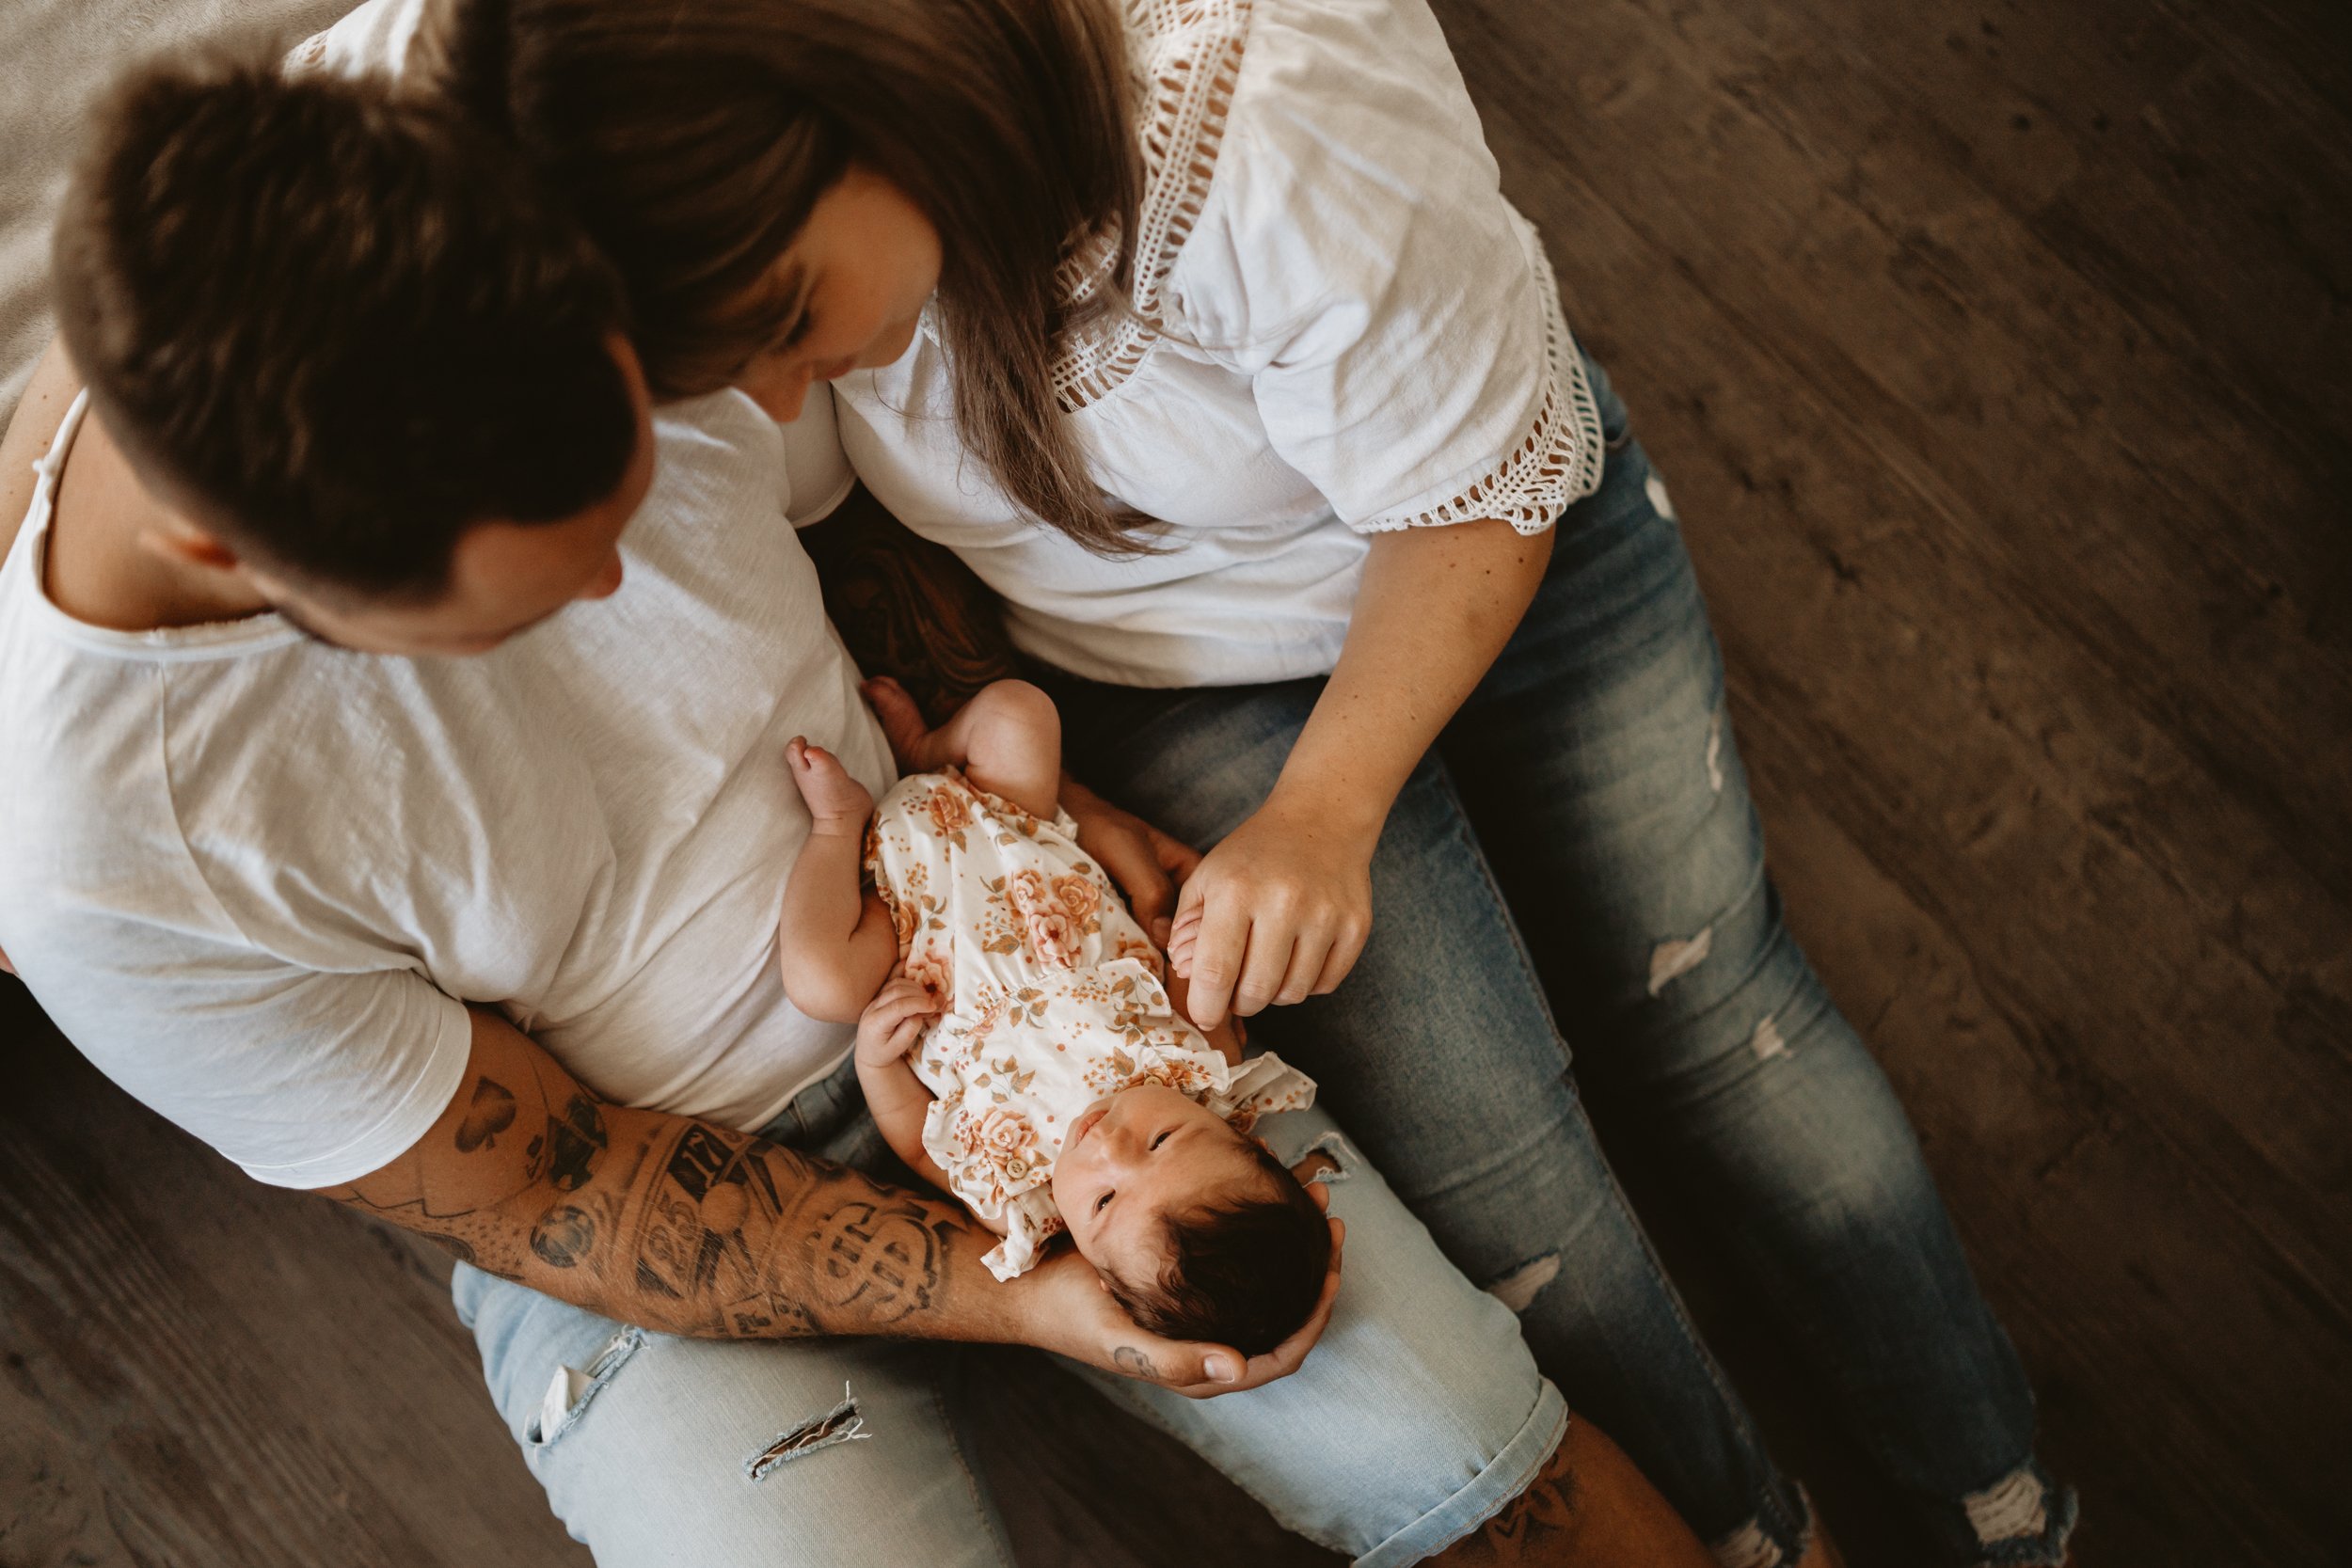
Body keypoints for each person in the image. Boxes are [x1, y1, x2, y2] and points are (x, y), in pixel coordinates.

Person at [0, 42, 1721, 1568]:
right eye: (542, 591)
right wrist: (1018, 1286)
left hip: (1004, 971)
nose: (623, 582)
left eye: (626, 497)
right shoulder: (104, 866)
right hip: (647, 1188)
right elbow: (552, 1191)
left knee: (1477, 1463)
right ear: (237, 555)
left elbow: (848, 516)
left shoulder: (539, 139)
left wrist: (1012, 793)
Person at [447, 0, 2080, 1561]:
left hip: (1485, 526)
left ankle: (1997, 1489)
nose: (789, 398)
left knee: (1718, 1015)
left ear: (860, 120)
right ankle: (1747, 1530)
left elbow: (1478, 489)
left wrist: (1327, 812)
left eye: (789, 327)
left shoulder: (1249, 90)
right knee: (1506, 1174)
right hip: (1175, 676)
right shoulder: (721, 218)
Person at [782, 675, 1327, 1350]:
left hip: (903, 923)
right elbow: (1189, 965)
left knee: (821, 981)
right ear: (1246, 1137)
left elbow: (918, 1146)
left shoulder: (1016, 1194)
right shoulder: (1202, 1062)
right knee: (1021, 712)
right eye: (1162, 1142)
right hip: (1016, 826)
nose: (1105, 1145)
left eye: (1103, 1201)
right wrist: (1182, 937)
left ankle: (836, 825)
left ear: (1096, 1272)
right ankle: (930, 744)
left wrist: (874, 1056)